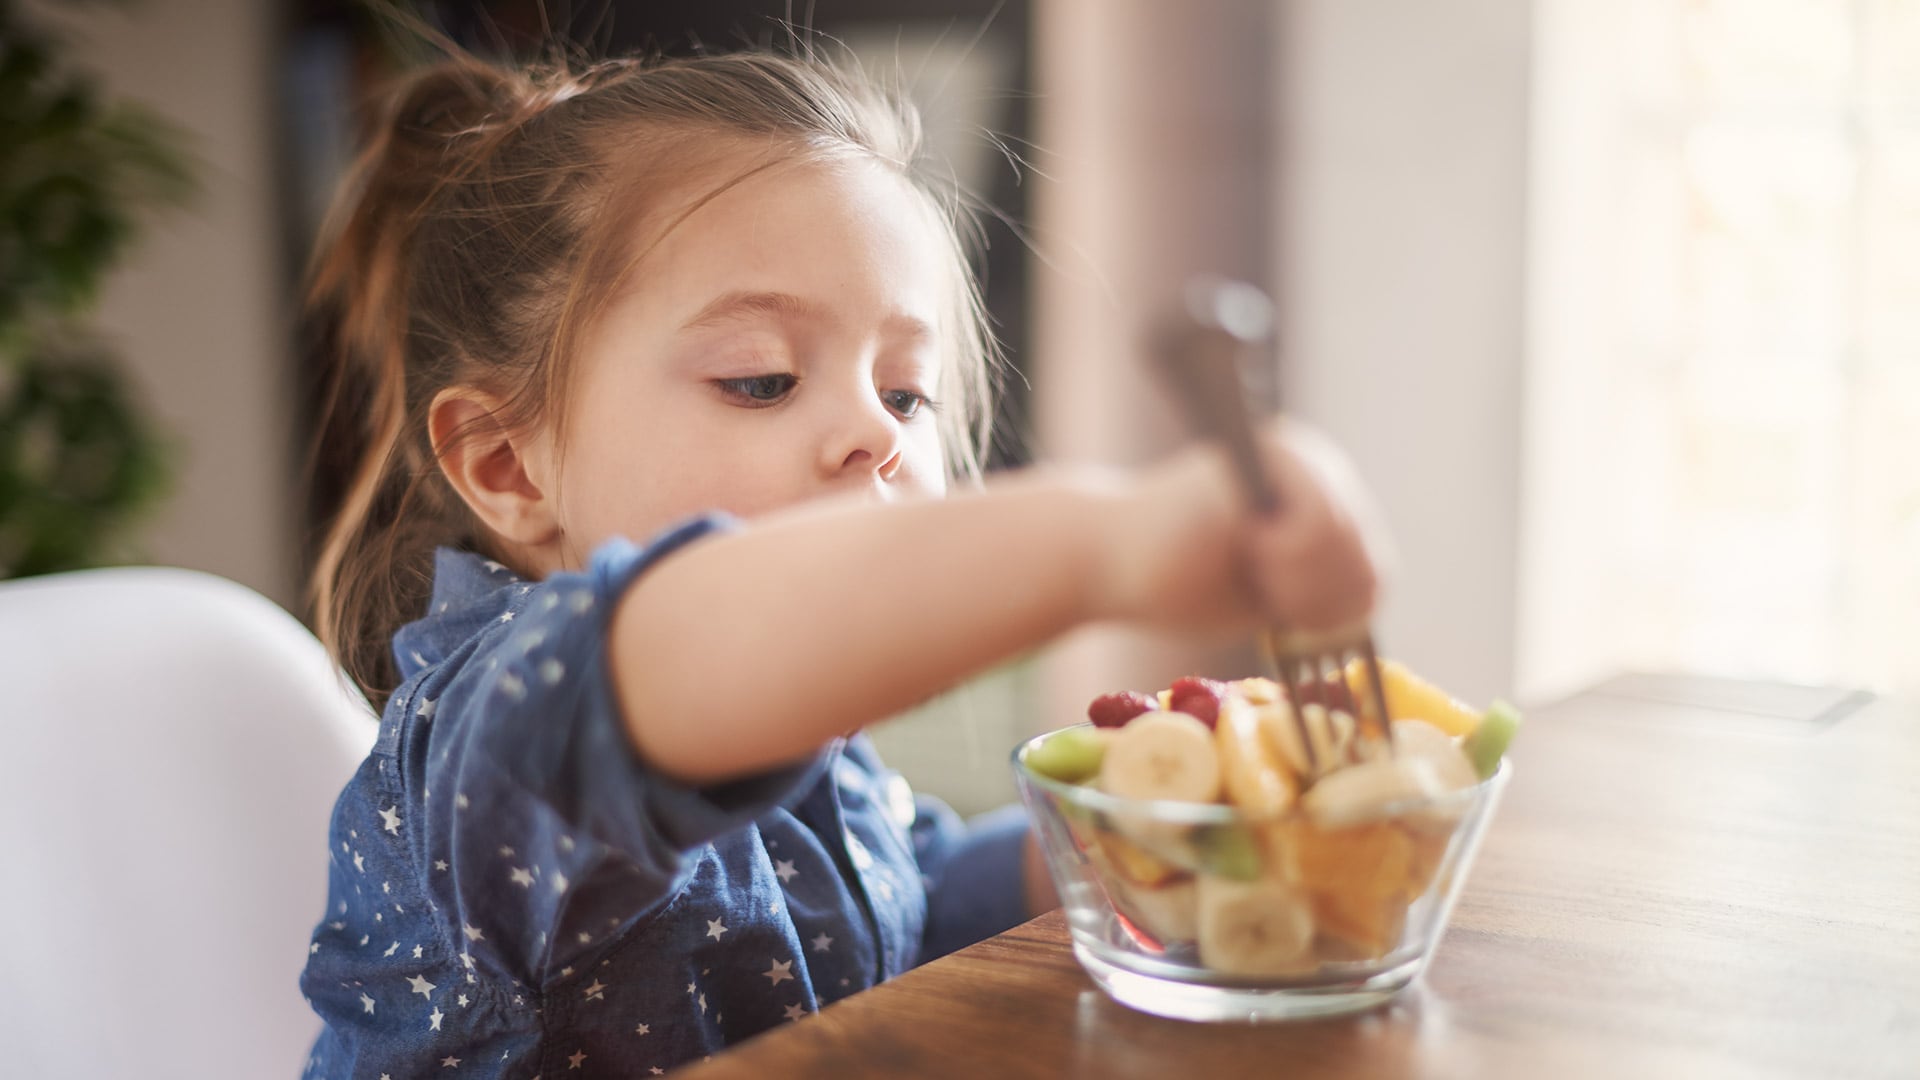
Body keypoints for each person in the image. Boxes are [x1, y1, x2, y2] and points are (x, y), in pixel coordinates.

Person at [298, 43, 1383, 1079]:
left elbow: (910, 903)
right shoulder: (496, 738)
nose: (881, 434)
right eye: (762, 380)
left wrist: (1121, 830)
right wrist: (1108, 538)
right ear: (507, 468)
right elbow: (697, 637)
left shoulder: (814, 747)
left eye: (907, 393)